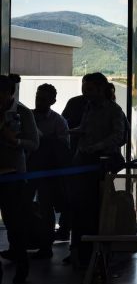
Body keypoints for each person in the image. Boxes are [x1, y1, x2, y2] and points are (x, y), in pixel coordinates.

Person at [68, 72, 127, 267]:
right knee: (81, 209)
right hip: (86, 163)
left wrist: (93, 147)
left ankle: (95, 250)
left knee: (96, 209)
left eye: (90, 89)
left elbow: (117, 136)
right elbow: (87, 130)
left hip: (101, 165)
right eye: (85, 89)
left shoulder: (113, 110)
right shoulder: (89, 108)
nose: (86, 93)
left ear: (101, 89)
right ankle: (83, 251)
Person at [0, 74, 39, 284]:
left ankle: (22, 263)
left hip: (13, 175)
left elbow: (34, 143)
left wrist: (14, 141)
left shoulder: (22, 113)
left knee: (15, 223)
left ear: (9, 93)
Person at [29, 83, 70, 260]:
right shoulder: (31, 117)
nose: (39, 101)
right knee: (25, 207)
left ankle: (44, 246)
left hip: (46, 172)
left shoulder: (58, 121)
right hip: (30, 170)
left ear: (52, 101)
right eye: (38, 97)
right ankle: (31, 242)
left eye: (43, 99)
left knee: (45, 209)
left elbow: (63, 148)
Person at [57, 75, 90, 242]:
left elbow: (64, 124)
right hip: (84, 158)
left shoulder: (74, 102)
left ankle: (66, 230)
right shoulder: (107, 108)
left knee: (72, 195)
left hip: (74, 155)